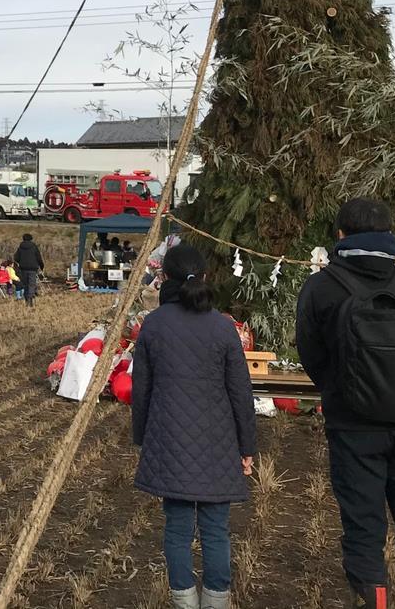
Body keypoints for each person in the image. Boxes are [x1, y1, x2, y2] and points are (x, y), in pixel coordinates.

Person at [296, 198, 395, 609]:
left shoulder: (322, 286)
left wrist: (339, 389)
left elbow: (310, 352)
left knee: (363, 522)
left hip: (352, 425)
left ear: (340, 236)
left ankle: (373, 598)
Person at [132, 242, 256, 609]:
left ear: (164, 278)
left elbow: (142, 390)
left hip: (169, 441)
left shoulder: (153, 325)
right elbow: (240, 393)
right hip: (219, 444)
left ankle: (184, 603)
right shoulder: (223, 327)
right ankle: (216, 602)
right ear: (204, 277)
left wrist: (143, 439)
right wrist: (247, 446)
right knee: (217, 530)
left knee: (177, 528)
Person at [14, 232, 44, 307]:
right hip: (33, 268)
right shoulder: (34, 247)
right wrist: (41, 265)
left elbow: (16, 258)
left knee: (25, 284)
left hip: (23, 268)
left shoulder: (20, 247)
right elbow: (38, 257)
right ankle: (30, 298)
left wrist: (21, 262)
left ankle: (26, 299)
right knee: (31, 284)